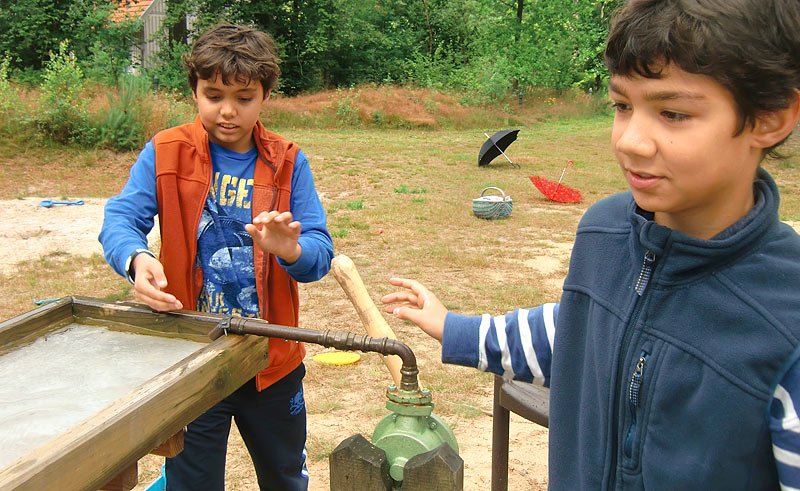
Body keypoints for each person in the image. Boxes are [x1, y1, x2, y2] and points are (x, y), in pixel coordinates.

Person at [381, 0, 800, 488]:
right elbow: (579, 334)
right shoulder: (604, 230)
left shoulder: (786, 321)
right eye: (622, 106)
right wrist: (455, 328)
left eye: (673, 113)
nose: (630, 141)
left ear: (769, 118)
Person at [99, 22, 333, 491]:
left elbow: (319, 253)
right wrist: (136, 259)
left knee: (285, 477)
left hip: (272, 362)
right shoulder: (165, 151)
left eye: (244, 98)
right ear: (194, 91)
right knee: (191, 482)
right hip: (191, 359)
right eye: (213, 95)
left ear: (265, 96)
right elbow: (120, 219)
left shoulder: (289, 161)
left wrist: (291, 249)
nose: (228, 111)